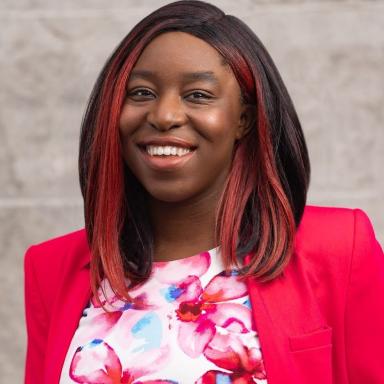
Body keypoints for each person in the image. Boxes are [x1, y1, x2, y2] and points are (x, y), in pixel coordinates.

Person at [24, 1, 384, 383]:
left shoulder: (337, 249)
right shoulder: (51, 269)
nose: (164, 116)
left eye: (197, 95)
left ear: (243, 119)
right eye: (142, 92)